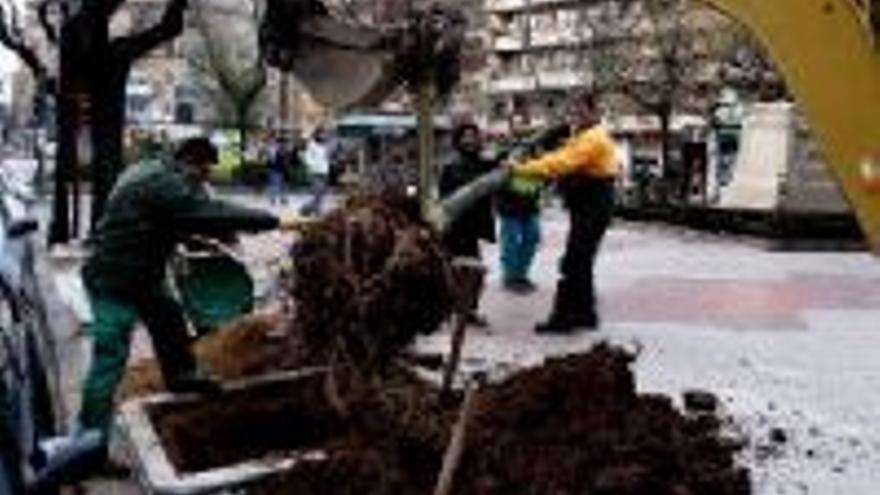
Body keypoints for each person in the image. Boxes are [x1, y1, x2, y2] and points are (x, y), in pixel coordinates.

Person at [76, 137, 298, 450]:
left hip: (143, 274)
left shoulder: (152, 170)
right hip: (114, 279)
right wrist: (269, 220)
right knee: (110, 358)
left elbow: (176, 218)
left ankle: (181, 376)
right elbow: (205, 212)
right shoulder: (162, 184)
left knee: (168, 318)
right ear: (189, 161)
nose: (203, 180)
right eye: (203, 172)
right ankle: (87, 445)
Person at [512, 93, 619, 334]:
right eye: (573, 112)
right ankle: (585, 314)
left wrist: (521, 170)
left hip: (593, 206)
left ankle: (565, 318)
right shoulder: (582, 137)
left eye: (580, 112)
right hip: (589, 207)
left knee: (573, 262)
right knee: (581, 262)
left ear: (595, 113)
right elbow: (558, 156)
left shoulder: (593, 138)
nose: (575, 117)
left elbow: (562, 163)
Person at [440, 121, 496, 327]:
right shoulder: (450, 166)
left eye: (473, 136)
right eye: (465, 136)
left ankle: (467, 311)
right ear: (458, 140)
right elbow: (444, 198)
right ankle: (455, 311)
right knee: (457, 271)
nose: (470, 140)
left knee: (474, 273)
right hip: (455, 227)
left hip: (474, 227)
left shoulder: (484, 164)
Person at [497, 114, 543, 294]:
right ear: (510, 127)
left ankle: (521, 275)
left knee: (532, 238)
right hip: (509, 205)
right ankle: (510, 277)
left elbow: (541, 172)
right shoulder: (504, 149)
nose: (521, 126)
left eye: (524, 123)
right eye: (517, 124)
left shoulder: (533, 149)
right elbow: (499, 175)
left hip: (530, 204)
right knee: (511, 243)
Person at [299, 127, 332, 216]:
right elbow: (306, 157)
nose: (324, 135)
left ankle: (310, 209)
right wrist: (313, 166)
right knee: (318, 192)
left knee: (322, 193)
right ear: (317, 134)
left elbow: (325, 159)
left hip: (324, 172)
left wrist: (328, 165)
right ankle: (309, 209)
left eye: (325, 134)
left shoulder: (325, 145)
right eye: (322, 134)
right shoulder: (311, 145)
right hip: (314, 173)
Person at [265, 133, 287, 205]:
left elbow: (283, 157)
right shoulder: (268, 148)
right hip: (272, 168)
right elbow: (270, 159)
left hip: (280, 168)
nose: (272, 141)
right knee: (274, 184)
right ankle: (273, 199)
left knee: (281, 184)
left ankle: (282, 199)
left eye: (273, 140)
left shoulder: (280, 148)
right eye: (271, 140)